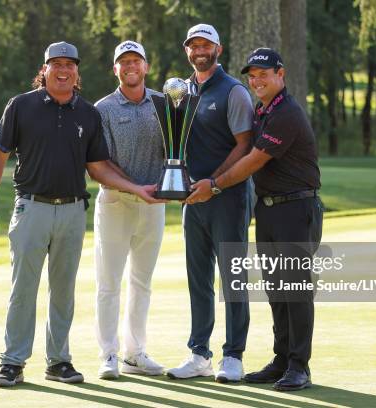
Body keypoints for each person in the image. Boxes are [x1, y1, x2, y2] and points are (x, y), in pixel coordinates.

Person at [0, 41, 161, 388]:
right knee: (24, 289)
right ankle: (12, 362)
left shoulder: (87, 113)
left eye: (70, 64)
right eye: (56, 64)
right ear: (44, 70)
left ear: (77, 72)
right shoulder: (21, 106)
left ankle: (59, 361)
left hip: (73, 210)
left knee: (63, 291)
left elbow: (98, 169)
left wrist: (137, 189)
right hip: (32, 207)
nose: (63, 70)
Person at [188, 47, 323, 391]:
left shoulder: (286, 113)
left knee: (295, 289)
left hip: (296, 208)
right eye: (253, 75)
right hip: (269, 208)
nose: (257, 80)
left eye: (265, 74)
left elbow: (253, 160)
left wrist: (214, 184)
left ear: (281, 74)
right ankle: (281, 360)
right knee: (277, 289)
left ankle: (299, 365)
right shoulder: (264, 110)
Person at [166, 24, 254, 383]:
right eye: (193, 45)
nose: (199, 50)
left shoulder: (233, 91)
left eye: (205, 44)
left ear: (218, 48)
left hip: (228, 197)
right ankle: (199, 353)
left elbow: (244, 145)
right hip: (193, 198)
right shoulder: (180, 92)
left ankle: (233, 355)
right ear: (188, 51)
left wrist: (213, 184)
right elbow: (175, 142)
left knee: (232, 276)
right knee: (198, 278)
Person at [93, 40, 166, 380]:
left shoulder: (166, 104)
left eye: (136, 60)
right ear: (115, 69)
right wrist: (137, 188)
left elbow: (176, 151)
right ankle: (108, 354)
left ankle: (134, 354)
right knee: (109, 283)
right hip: (116, 203)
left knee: (142, 282)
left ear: (146, 66)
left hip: (155, 206)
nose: (130, 66)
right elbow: (101, 162)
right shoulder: (103, 108)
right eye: (124, 61)